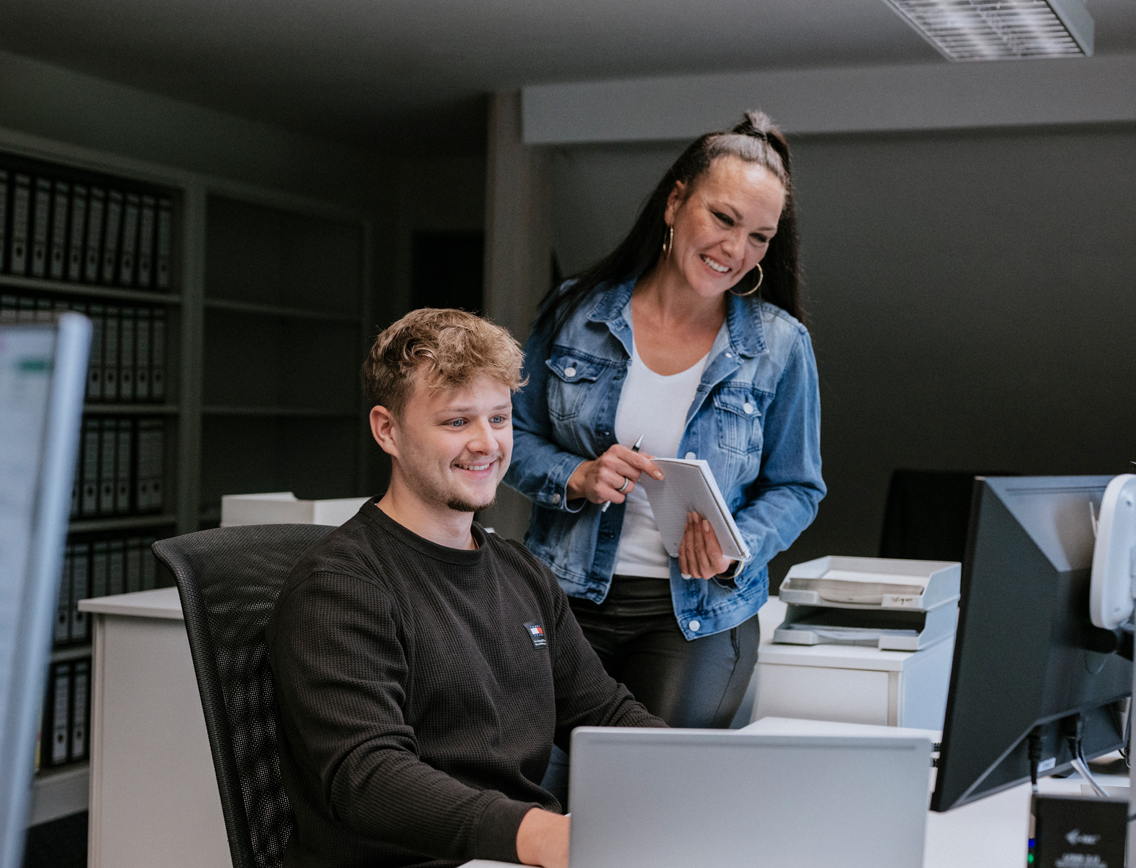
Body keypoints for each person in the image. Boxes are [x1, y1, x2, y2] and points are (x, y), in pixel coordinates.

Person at [266, 308, 664, 868]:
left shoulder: (521, 572)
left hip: (511, 856)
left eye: (499, 419)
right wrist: (537, 834)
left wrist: (695, 772)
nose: (487, 444)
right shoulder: (340, 587)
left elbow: (606, 713)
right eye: (457, 423)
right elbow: (369, 777)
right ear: (388, 430)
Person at [505, 110, 826, 730]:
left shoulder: (781, 345)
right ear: (676, 202)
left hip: (696, 615)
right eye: (723, 219)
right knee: (529, 776)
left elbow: (798, 487)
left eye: (759, 236)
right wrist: (576, 476)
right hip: (564, 599)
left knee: (647, 785)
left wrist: (739, 546)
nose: (735, 250)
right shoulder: (576, 311)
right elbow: (509, 438)